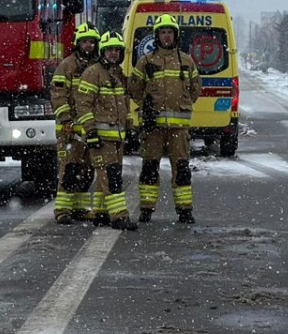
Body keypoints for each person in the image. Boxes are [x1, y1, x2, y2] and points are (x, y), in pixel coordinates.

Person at [129, 14, 201, 225]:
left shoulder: (186, 61)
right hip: (153, 129)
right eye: (163, 32)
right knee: (150, 168)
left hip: (179, 129)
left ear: (175, 35)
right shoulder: (146, 62)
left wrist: (183, 103)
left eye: (170, 32)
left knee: (182, 169)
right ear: (157, 36)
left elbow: (195, 89)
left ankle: (185, 210)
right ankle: (146, 209)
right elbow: (134, 89)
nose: (166, 36)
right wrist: (146, 104)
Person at [82, 34, 137, 230]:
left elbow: (124, 105)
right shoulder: (93, 73)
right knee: (111, 176)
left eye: (116, 50)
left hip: (117, 138)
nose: (113, 53)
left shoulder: (118, 74)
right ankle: (119, 216)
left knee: (107, 176)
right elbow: (83, 104)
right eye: (109, 49)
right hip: (101, 137)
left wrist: (130, 129)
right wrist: (91, 132)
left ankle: (101, 213)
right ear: (102, 52)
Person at [49, 24, 99, 224]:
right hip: (69, 129)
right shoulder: (67, 66)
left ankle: (79, 207)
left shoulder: (98, 67)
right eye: (85, 41)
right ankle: (62, 209)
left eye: (92, 42)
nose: (88, 45)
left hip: (89, 128)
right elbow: (58, 95)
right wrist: (66, 120)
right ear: (78, 43)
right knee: (69, 169)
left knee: (86, 170)